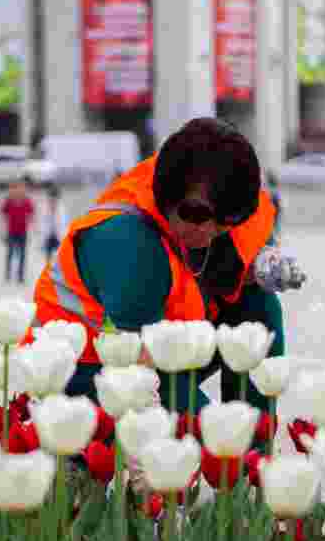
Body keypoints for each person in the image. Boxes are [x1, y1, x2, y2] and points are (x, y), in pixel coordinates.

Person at [27, 117, 306, 418]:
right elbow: (147, 371)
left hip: (169, 341)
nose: (207, 231)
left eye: (224, 222)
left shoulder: (231, 205)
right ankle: (232, 456)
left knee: (259, 304)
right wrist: (217, 437)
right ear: (165, 194)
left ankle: (256, 444)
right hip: (83, 372)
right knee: (195, 430)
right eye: (196, 214)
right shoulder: (129, 240)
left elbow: (242, 253)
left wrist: (262, 262)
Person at [0, 181, 35, 284]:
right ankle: (8, 274)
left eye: (21, 189)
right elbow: (2, 217)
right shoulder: (8, 201)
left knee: (22, 255)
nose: (18, 191)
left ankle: (20, 276)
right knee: (10, 254)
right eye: (16, 189)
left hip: (23, 232)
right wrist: (2, 231)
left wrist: (32, 231)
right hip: (11, 232)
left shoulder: (27, 201)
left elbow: (32, 216)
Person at [40, 182, 68, 265]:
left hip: (58, 236)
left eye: (54, 198)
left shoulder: (62, 209)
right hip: (48, 236)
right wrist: (42, 237)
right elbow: (42, 223)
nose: (52, 200)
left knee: (59, 259)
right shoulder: (44, 208)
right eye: (51, 198)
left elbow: (64, 224)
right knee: (48, 260)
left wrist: (64, 237)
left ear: (57, 198)